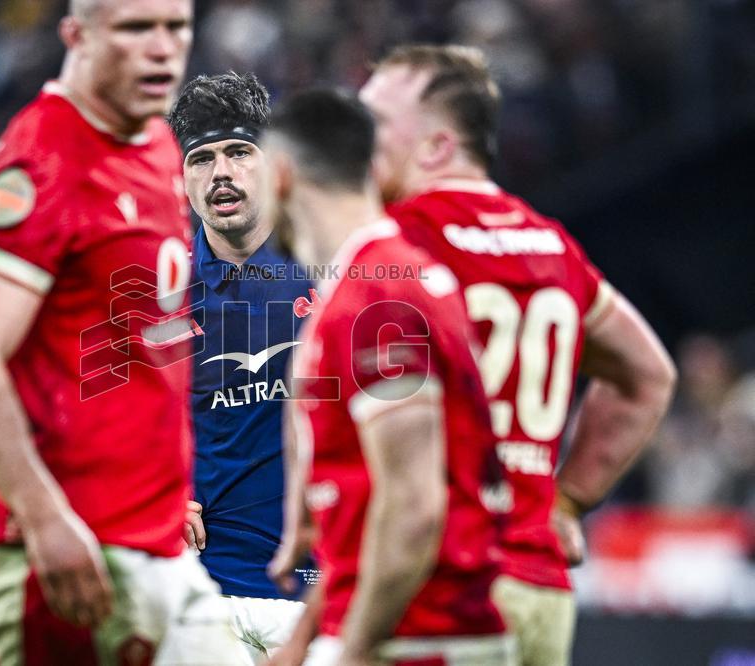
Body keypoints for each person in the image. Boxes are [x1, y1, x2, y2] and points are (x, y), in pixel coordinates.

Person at [0, 1, 248, 664]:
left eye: (176, 27)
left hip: (154, 541)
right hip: (68, 552)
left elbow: (136, 348)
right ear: (76, 35)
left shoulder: (160, 148)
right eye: (136, 28)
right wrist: (46, 520)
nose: (162, 48)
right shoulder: (41, 161)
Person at [359, 44, 678, 666]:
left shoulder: (401, 240)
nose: (357, 138)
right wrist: (566, 501)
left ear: (436, 146)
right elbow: (647, 375)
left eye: (376, 123)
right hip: (540, 591)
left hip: (444, 585)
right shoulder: (551, 245)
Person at [262, 89, 514, 666]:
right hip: (411, 628)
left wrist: (352, 649)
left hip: (418, 637)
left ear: (279, 175)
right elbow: (378, 496)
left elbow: (413, 505)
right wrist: (305, 640)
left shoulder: (375, 299)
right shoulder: (386, 278)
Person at [167, 72, 316, 664]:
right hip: (208, 594)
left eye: (238, 152)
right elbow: (109, 425)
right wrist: (161, 495)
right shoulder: (157, 293)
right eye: (200, 159)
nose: (219, 173)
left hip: (322, 590)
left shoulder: (337, 268)